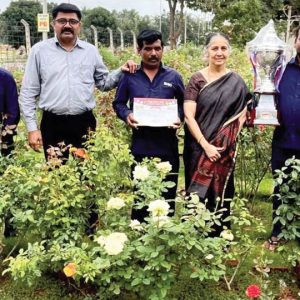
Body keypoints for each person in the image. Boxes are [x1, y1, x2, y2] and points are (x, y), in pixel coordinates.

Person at [19, 3, 136, 160]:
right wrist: (32, 129)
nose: (67, 25)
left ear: (79, 25)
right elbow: (28, 92)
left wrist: (121, 70)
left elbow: (103, 83)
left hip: (84, 123)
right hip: (53, 123)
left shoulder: (90, 51)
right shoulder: (39, 51)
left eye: (72, 21)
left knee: (87, 174)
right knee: (56, 174)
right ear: (54, 23)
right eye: (62, 21)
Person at [183, 32, 252, 236]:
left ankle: (220, 234)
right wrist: (206, 145)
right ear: (207, 52)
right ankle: (194, 236)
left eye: (223, 48)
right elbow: (188, 116)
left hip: (223, 150)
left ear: (228, 52)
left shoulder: (237, 82)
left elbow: (240, 116)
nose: (219, 53)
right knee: (197, 192)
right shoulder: (197, 79)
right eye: (215, 48)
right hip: (198, 148)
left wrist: (223, 144)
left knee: (223, 192)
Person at [113, 29, 184, 221]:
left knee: (167, 191)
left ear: (163, 50)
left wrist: (179, 117)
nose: (153, 53)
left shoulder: (173, 77)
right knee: (141, 192)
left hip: (167, 144)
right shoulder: (130, 76)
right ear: (139, 50)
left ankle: (165, 232)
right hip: (141, 143)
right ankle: (140, 232)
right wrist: (127, 114)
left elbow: (184, 104)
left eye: (157, 48)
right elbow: (118, 103)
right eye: (148, 49)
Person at [264, 26, 300, 251]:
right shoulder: (281, 69)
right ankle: (278, 231)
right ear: (295, 41)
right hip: (284, 140)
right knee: (281, 187)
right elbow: (267, 95)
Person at [0, 67, 20, 156]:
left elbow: (13, 112)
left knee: (5, 166)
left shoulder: (5, 77)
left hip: (3, 138)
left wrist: (3, 133)